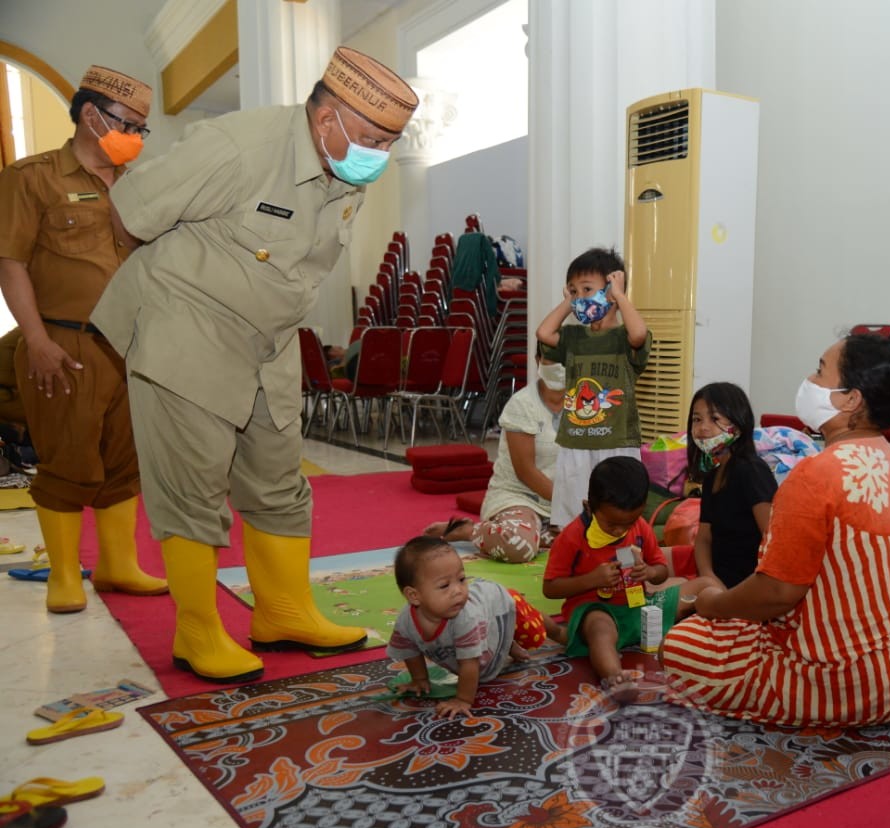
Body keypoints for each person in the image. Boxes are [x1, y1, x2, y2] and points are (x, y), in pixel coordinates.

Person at [89, 47, 419, 683]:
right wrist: (180, 283)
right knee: (193, 485)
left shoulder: (346, 171)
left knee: (278, 479)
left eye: (391, 141)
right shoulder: (237, 145)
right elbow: (130, 215)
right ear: (326, 119)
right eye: (373, 137)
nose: (379, 152)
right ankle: (197, 632)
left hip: (267, 338)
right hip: (187, 326)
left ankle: (284, 611)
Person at [660, 331, 890, 727]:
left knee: (680, 645)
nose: (809, 380)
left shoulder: (815, 474)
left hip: (844, 679)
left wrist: (712, 607)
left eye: (820, 371)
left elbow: (777, 593)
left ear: (851, 399)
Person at [0, 65, 168, 614]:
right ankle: (65, 575)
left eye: (144, 129)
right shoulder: (34, 177)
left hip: (130, 346)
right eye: (129, 125)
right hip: (63, 345)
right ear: (91, 115)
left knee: (126, 461)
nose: (137, 138)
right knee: (68, 461)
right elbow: (12, 262)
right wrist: (36, 339)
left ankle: (119, 565)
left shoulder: (137, 184)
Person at [543, 456, 720, 696]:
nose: (619, 530)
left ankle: (732, 635)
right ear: (589, 506)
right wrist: (591, 580)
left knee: (706, 586)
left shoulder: (639, 527)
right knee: (600, 630)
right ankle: (615, 678)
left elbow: (661, 571)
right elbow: (550, 588)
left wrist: (650, 572)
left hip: (641, 608)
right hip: (598, 610)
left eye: (628, 523)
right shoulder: (572, 536)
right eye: (611, 523)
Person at [387, 535, 567, 719]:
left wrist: (463, 700)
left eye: (462, 579)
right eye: (444, 585)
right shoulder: (405, 622)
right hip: (485, 623)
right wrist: (419, 680)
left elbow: (469, 664)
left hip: (499, 604)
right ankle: (506, 643)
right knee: (490, 633)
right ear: (414, 596)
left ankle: (560, 632)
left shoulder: (466, 617)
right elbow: (410, 651)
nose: (458, 590)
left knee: (533, 631)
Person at [535, 247, 651, 530]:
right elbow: (544, 333)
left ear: (610, 291)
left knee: (618, 512)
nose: (580, 297)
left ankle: (620, 561)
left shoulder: (623, 338)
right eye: (574, 290)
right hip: (576, 441)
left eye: (587, 289)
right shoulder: (573, 336)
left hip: (617, 443)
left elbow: (639, 334)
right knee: (573, 515)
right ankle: (576, 559)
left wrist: (621, 296)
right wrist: (568, 303)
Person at [425, 360, 566, 562]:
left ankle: (538, 532)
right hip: (522, 497)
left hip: (561, 505)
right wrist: (568, 502)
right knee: (518, 547)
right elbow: (526, 472)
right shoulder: (523, 403)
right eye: (553, 357)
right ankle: (469, 530)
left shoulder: (586, 403)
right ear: (538, 361)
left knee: (604, 534)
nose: (560, 365)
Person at [683, 382, 777, 588]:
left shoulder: (751, 471)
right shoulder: (713, 472)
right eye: (697, 419)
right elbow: (703, 539)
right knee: (651, 565)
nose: (703, 427)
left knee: (667, 596)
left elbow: (774, 539)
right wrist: (708, 578)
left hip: (746, 585)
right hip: (718, 577)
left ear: (739, 422)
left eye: (714, 418)